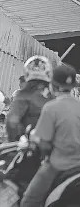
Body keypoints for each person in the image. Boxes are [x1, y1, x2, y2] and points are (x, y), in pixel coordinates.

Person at [20, 63, 80, 207]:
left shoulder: (51, 107)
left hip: (59, 165)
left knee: (28, 202)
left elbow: (44, 143)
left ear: (53, 85)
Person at [6, 56, 54, 141]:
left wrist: (15, 141)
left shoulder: (23, 95)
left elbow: (12, 122)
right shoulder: (54, 96)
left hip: (28, 146)